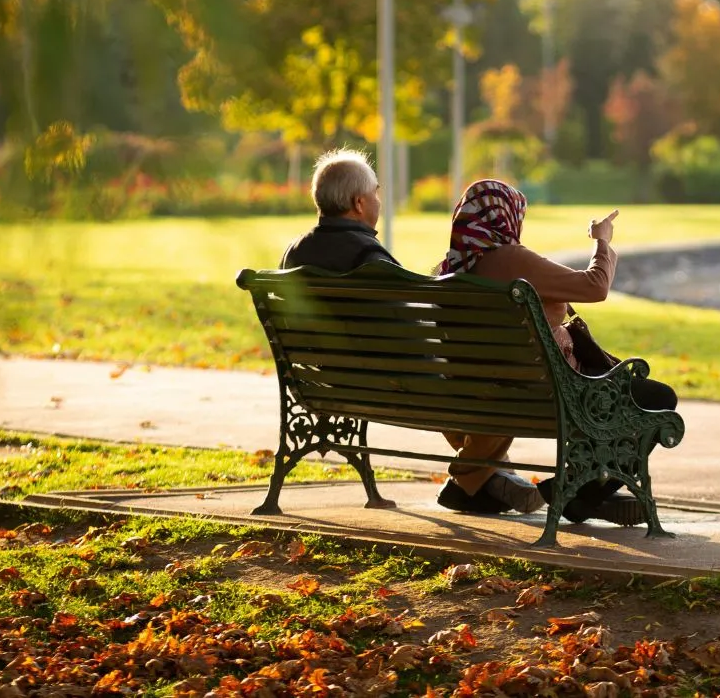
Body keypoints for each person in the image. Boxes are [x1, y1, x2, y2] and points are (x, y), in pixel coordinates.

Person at [434, 179, 678, 526]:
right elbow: (594, 286)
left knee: (628, 393)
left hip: (486, 397)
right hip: (553, 394)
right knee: (657, 398)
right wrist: (602, 241)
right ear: (505, 217)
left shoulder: (449, 272)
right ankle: (583, 493)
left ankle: (587, 489)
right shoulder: (510, 260)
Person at [280, 149, 398, 271]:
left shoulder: (293, 252)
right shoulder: (371, 258)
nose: (379, 201)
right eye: (375, 192)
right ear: (358, 203)